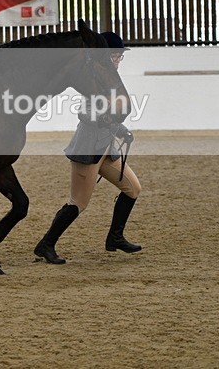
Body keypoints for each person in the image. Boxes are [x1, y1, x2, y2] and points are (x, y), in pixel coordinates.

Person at [33, 31, 142, 264]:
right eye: (114, 56)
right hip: (87, 150)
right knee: (78, 203)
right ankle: (46, 244)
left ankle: (115, 237)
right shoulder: (93, 79)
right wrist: (105, 120)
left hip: (106, 149)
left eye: (120, 56)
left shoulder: (110, 81)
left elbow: (112, 114)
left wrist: (120, 129)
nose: (117, 61)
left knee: (133, 188)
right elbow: (83, 111)